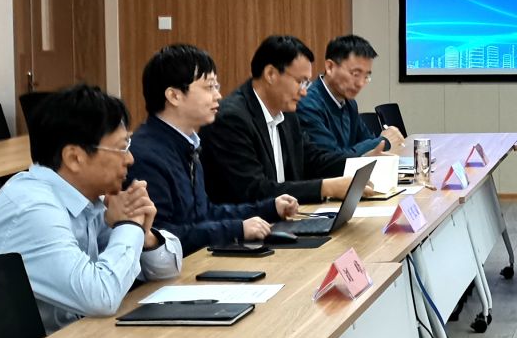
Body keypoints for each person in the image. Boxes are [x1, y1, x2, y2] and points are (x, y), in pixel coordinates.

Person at [0, 83, 183, 333]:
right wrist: (129, 225)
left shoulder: (85, 198)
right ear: (74, 158)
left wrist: (145, 238)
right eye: (121, 148)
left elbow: (167, 269)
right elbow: (101, 297)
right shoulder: (34, 209)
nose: (130, 158)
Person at [128, 43, 300, 251]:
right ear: (174, 96)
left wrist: (269, 208)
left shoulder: (187, 144)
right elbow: (160, 236)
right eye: (209, 87)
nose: (218, 95)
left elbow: (204, 214)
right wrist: (237, 229)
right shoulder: (146, 156)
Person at [202, 34, 354, 206]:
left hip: (287, 216)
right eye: (300, 82)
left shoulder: (286, 112)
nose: (304, 92)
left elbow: (313, 160)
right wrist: (326, 188)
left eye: (306, 84)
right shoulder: (232, 119)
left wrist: (364, 161)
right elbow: (255, 190)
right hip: (248, 221)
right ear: (271, 74)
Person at [297, 34, 405, 160]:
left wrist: (377, 144)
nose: (360, 83)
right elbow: (331, 160)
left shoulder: (349, 103)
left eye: (366, 76)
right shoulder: (307, 103)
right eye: (355, 74)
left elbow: (367, 141)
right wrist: (383, 141)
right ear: (330, 67)